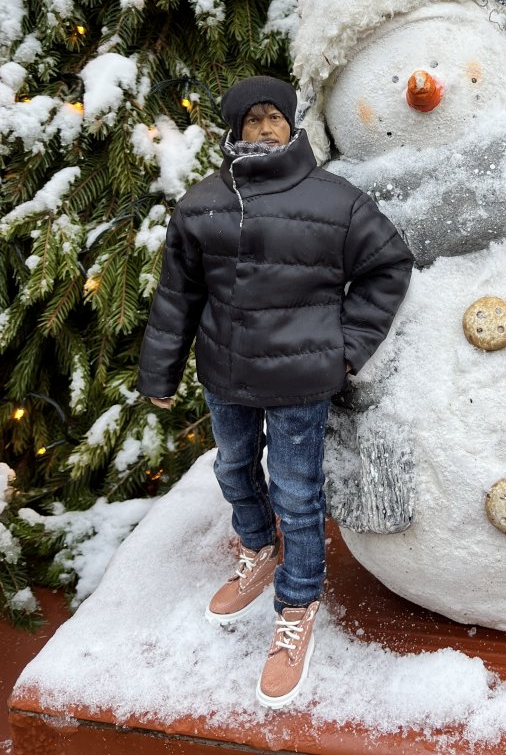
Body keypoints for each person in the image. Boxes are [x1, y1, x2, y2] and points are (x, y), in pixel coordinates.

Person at [136, 76, 413, 708]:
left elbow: (388, 266)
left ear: (291, 125)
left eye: (275, 118)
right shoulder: (202, 205)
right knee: (233, 468)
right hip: (225, 374)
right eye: (252, 119)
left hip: (299, 381)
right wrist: (160, 372)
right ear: (235, 130)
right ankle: (258, 548)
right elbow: (178, 296)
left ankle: (298, 602)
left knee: (297, 491)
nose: (264, 129)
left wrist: (346, 348)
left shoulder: (336, 200)